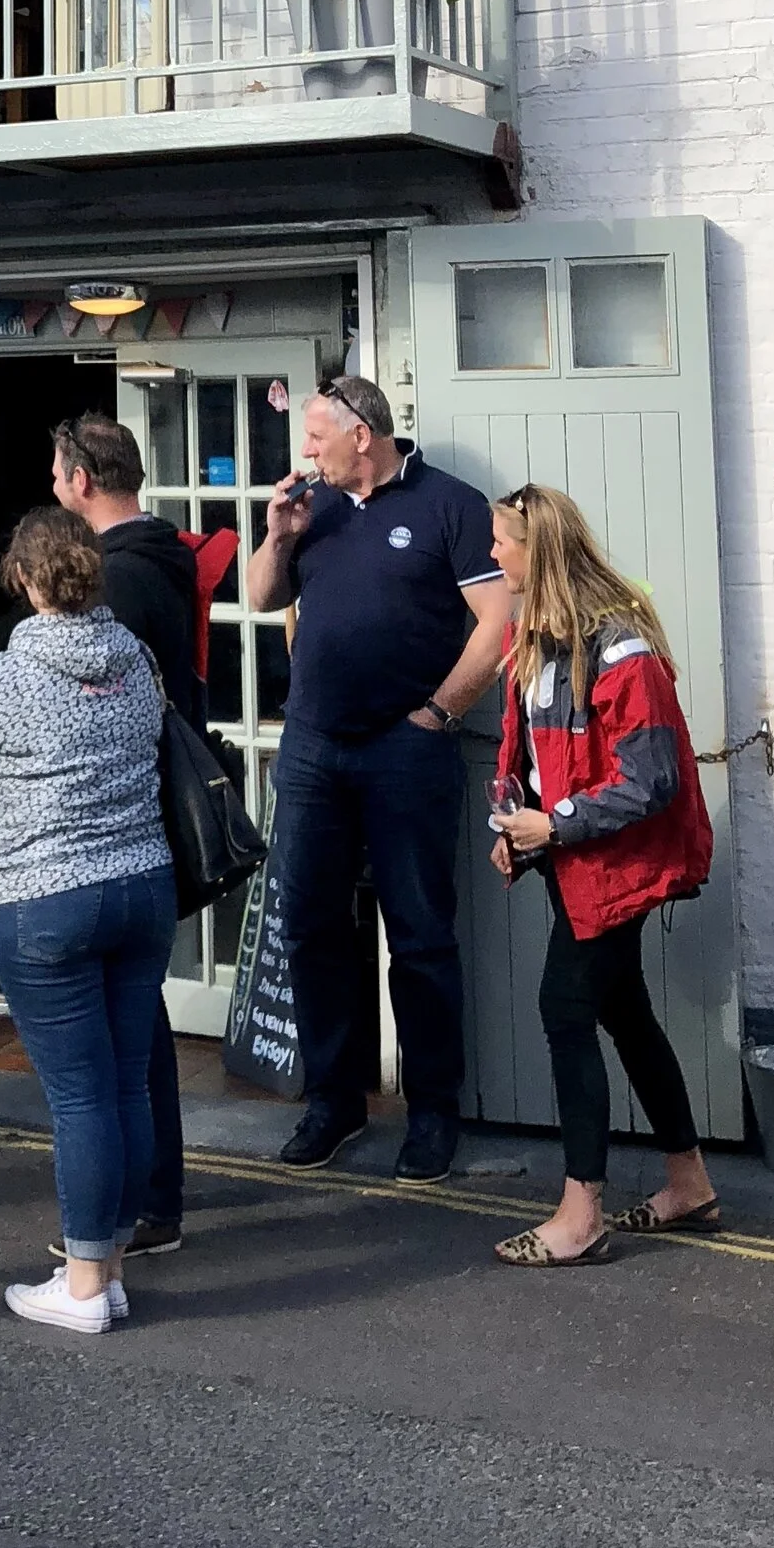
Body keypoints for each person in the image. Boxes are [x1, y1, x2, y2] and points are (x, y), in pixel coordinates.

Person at [245, 374, 504, 1181]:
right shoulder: (311, 508)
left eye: (316, 434)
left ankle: (431, 1112)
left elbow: (502, 619)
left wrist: (440, 711)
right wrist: (280, 535)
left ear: (364, 433)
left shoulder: (449, 503)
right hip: (315, 747)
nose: (305, 449)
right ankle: (334, 1100)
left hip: (406, 747)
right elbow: (260, 598)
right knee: (310, 925)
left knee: (420, 934)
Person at [0, 508, 176, 1335]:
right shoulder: (137, 659)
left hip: (44, 897)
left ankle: (80, 1288)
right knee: (125, 1085)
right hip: (143, 884)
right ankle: (107, 1266)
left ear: (27, 579)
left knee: (79, 1096)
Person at [480, 484, 717, 1264]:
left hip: (618, 869)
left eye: (502, 541)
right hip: (578, 863)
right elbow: (541, 762)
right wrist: (521, 828)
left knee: (565, 1007)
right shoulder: (537, 639)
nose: (492, 553)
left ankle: (582, 1212)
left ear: (537, 550)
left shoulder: (620, 649)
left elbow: (652, 780)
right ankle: (688, 1182)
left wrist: (557, 824)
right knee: (626, 1012)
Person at [51, 413, 239, 1267]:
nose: (56, 488)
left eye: (59, 475)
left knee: (128, 1019)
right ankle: (147, 1192)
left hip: (127, 814)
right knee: (135, 1010)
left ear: (83, 481)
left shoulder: (120, 578)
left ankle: (149, 1196)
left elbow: (103, 704)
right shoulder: (157, 555)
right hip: (146, 813)